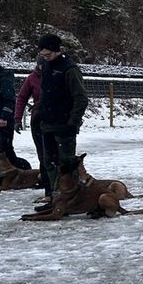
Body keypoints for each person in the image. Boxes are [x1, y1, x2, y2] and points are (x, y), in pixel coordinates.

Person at [36, 33, 89, 203]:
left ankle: (72, 197)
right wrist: (39, 110)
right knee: (48, 162)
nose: (45, 58)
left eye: (48, 54)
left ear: (56, 50)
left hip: (64, 125)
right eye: (42, 55)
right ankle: (53, 195)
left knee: (66, 164)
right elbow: (45, 93)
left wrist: (72, 122)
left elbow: (81, 98)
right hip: (47, 123)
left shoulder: (70, 69)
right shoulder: (45, 66)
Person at [14, 56, 50, 198]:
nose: (43, 67)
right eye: (41, 65)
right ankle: (49, 191)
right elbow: (22, 98)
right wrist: (17, 118)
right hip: (38, 121)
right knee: (43, 157)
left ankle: (60, 189)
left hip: (56, 120)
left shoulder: (57, 75)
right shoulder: (32, 78)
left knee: (55, 157)